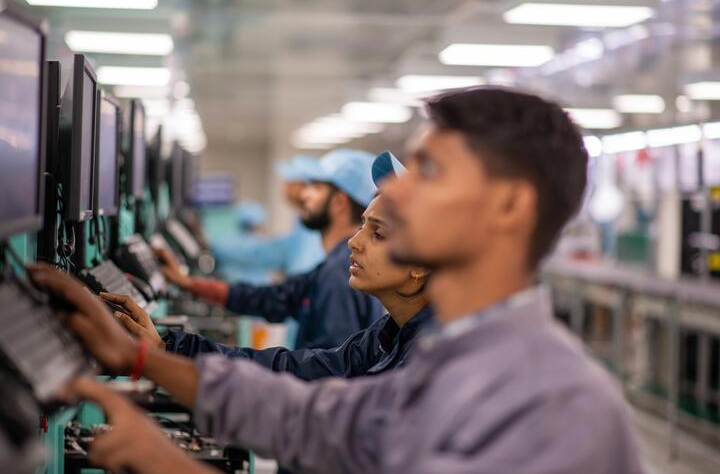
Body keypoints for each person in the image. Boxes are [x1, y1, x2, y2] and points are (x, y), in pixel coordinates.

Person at [42, 88, 644, 474]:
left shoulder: (550, 405)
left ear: (508, 207)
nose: (397, 191)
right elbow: (310, 411)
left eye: (430, 171)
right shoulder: (437, 352)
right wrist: (141, 356)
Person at [101, 153, 432, 382]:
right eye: (362, 226)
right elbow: (298, 364)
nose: (353, 242)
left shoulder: (433, 364)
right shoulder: (387, 336)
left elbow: (328, 403)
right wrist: (168, 348)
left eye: (378, 233)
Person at [158, 149, 385, 350]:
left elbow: (327, 377)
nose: (304, 194)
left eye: (315, 187)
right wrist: (189, 284)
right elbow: (273, 298)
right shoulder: (331, 267)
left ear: (339, 203)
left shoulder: (339, 274)